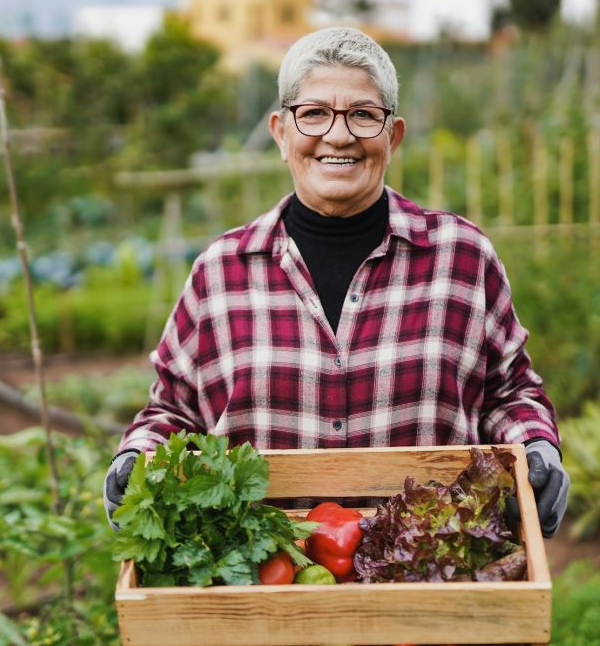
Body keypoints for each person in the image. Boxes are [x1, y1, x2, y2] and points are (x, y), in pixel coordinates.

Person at [104, 27, 569, 537]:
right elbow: (174, 409)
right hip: (262, 583)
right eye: (315, 114)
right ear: (281, 133)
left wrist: (535, 446)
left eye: (363, 115)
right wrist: (136, 456)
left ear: (393, 137)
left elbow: (510, 392)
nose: (339, 135)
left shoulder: (461, 257)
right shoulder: (221, 271)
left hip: (433, 581)